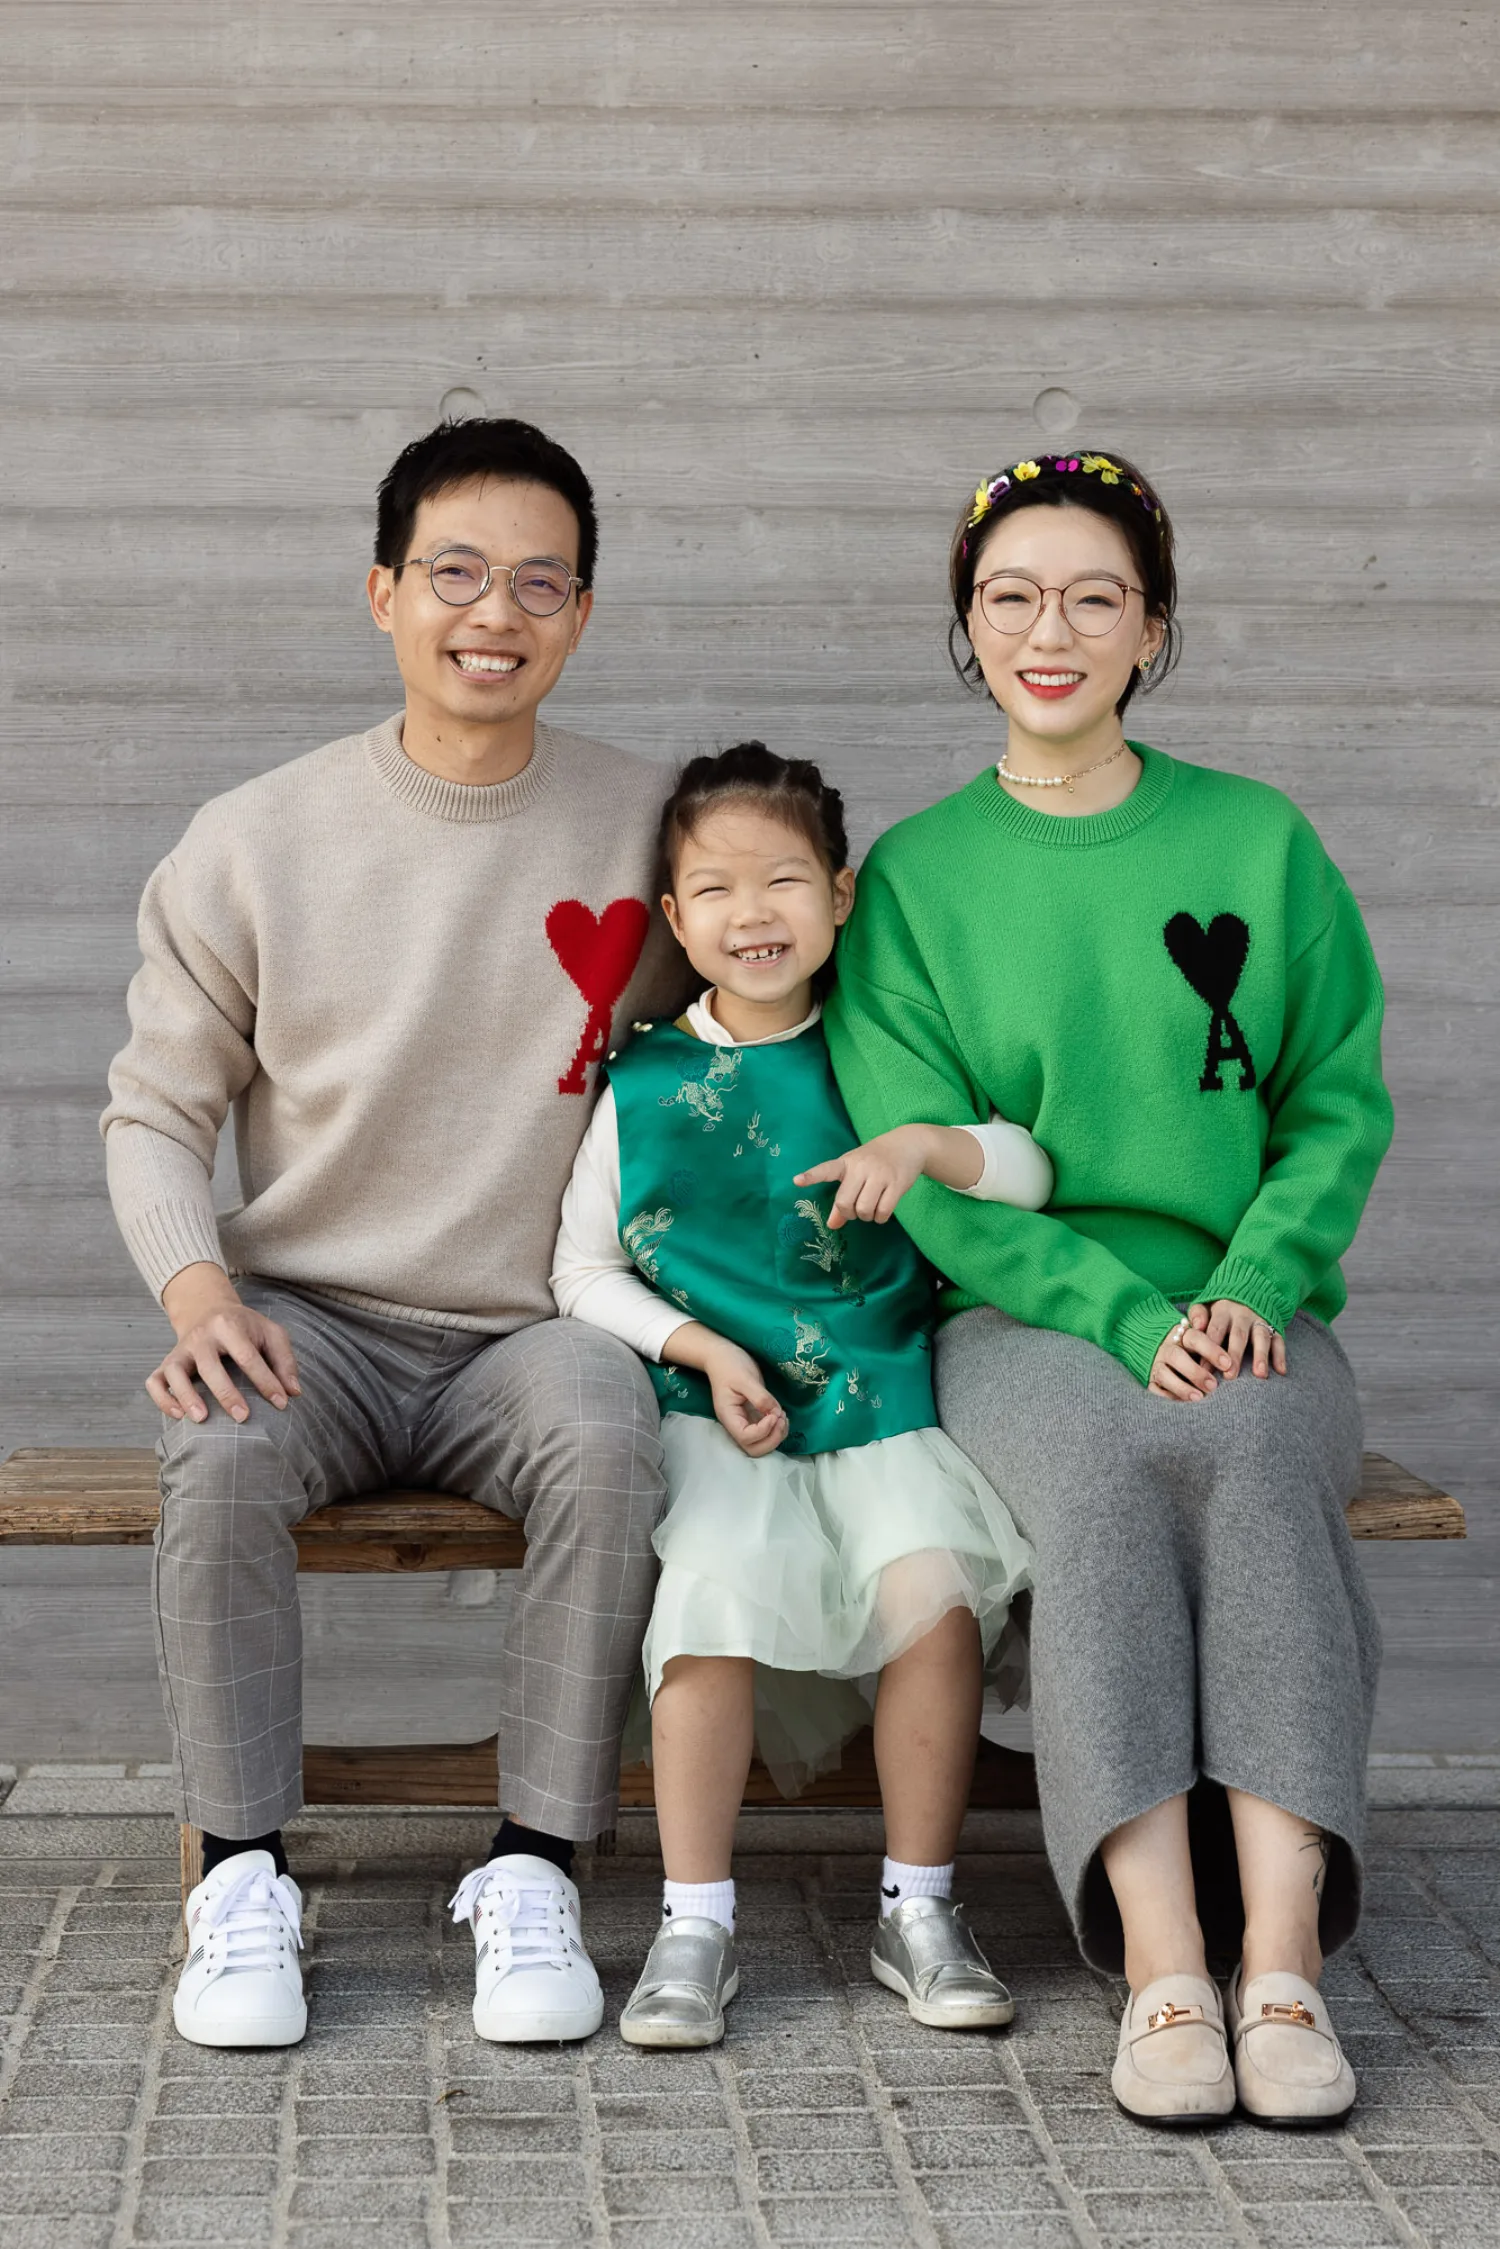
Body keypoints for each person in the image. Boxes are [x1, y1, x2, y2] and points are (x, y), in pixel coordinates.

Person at [101, 417, 686, 2050]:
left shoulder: (656, 825)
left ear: (582, 614)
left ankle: (538, 1870)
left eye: (539, 582)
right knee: (216, 1452)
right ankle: (239, 1879)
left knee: (606, 1428)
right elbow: (156, 1105)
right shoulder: (252, 838)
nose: (492, 611)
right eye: (454, 572)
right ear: (382, 593)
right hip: (316, 1319)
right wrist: (197, 1285)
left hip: (543, 1318)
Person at [824, 452, 1392, 2126]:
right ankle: (1161, 1969)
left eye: (1091, 598)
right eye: (1009, 599)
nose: (1047, 632)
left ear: (1153, 628)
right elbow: (930, 1174)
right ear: (967, 630)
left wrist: (1250, 1287)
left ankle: (1277, 1961)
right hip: (1026, 1322)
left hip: (1255, 1307)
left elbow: (1337, 1100)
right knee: (1106, 1466)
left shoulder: (1259, 839)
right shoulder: (916, 881)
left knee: (1263, 1451)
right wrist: (1133, 1323)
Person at [551, 742, 1046, 2048]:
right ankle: (695, 1919)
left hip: (884, 1403)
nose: (751, 914)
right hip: (724, 1418)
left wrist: (929, 1145)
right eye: (714, 889)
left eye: (783, 881)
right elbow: (578, 1269)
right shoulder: (645, 1080)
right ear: (673, 917)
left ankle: (918, 1906)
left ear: (840, 893)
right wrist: (694, 1350)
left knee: (931, 1597)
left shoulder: (887, 1060)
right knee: (705, 1603)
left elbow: (1030, 1168)